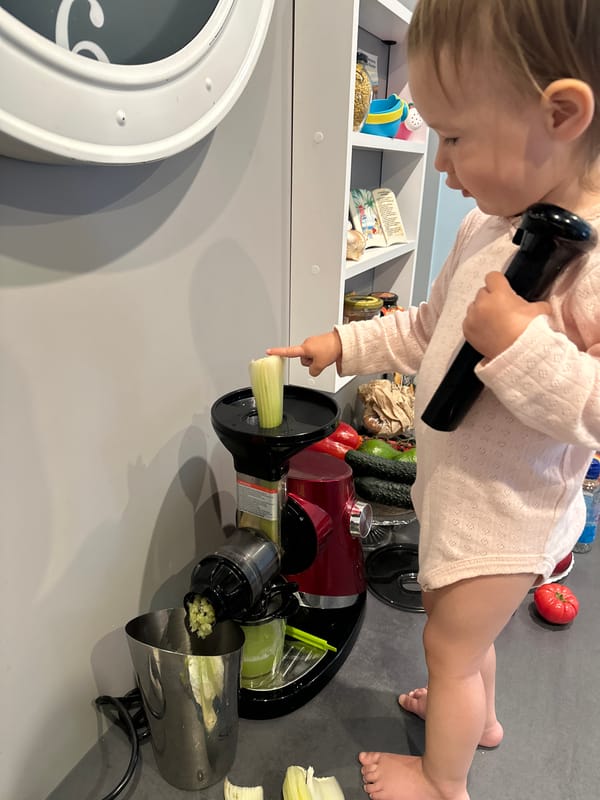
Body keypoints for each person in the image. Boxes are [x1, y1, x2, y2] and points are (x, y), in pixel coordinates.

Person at [268, 1, 600, 798]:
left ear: (559, 115)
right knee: (465, 642)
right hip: (459, 497)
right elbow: (424, 328)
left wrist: (522, 343)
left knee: (447, 648)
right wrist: (344, 344)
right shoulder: (487, 227)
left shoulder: (590, 270)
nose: (441, 163)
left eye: (455, 137)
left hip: (507, 518)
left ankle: (442, 781)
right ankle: (476, 718)